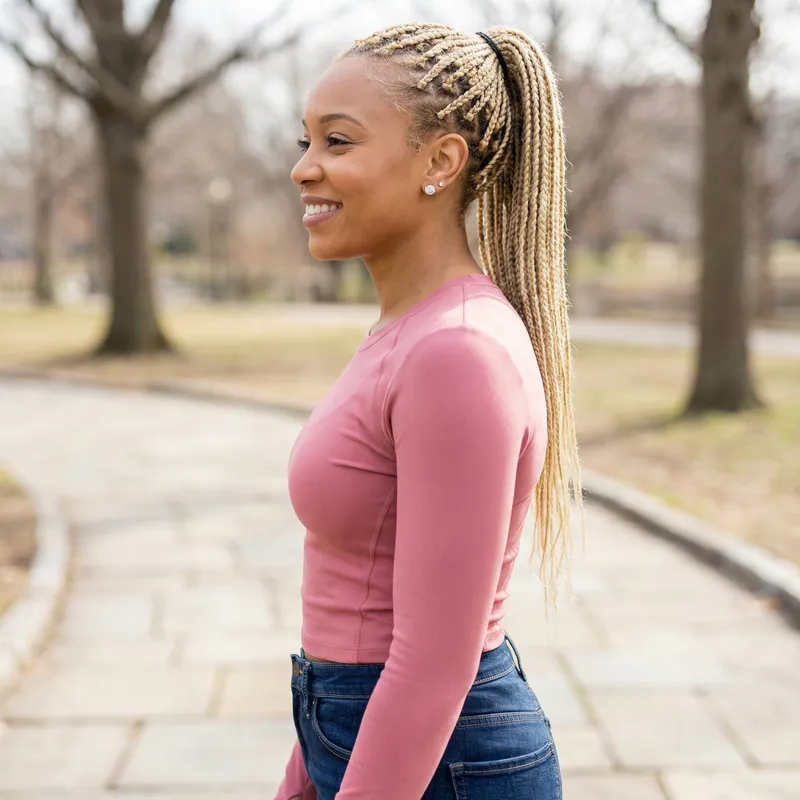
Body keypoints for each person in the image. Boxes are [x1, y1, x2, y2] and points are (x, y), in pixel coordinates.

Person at [275, 21, 581, 800]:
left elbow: (431, 665)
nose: (303, 168)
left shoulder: (458, 351)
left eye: (338, 141)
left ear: (440, 161)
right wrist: (302, 774)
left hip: (441, 767)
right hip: (374, 738)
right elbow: (352, 609)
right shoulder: (413, 329)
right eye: (307, 141)